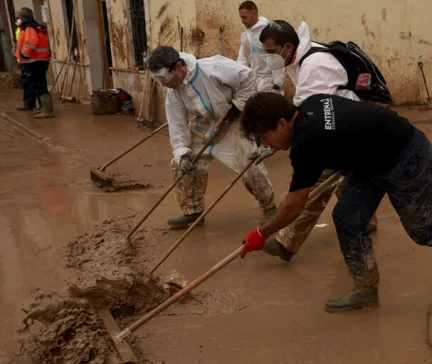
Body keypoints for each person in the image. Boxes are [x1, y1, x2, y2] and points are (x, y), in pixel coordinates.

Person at [240, 92, 432, 311]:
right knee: (346, 216)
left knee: (425, 232)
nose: (267, 145)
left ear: (283, 123)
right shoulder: (310, 104)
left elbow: (293, 207)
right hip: (369, 163)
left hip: (408, 156)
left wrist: (261, 234)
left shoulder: (307, 143)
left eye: (264, 137)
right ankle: (365, 288)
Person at [257, 19, 378, 262]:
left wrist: (278, 135)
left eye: (270, 52)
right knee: (341, 176)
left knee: (312, 185)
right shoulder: (297, 58)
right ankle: (366, 219)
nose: (268, 57)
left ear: (287, 46)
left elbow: (308, 113)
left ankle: (286, 242)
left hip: (346, 127)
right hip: (339, 121)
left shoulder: (314, 64)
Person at [147, 46, 276, 228]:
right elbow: (177, 124)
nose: (162, 84)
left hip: (231, 124)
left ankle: (269, 207)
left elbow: (248, 77)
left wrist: (237, 106)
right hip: (202, 127)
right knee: (183, 164)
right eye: (157, 79)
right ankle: (193, 212)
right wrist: (182, 152)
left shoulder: (212, 66)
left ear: (178, 67)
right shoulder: (173, 91)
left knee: (250, 166)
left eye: (164, 79)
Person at [15, 7, 52, 119]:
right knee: (38, 84)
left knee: (39, 85)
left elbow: (31, 43)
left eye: (17, 17)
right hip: (39, 60)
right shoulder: (34, 26)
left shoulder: (30, 28)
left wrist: (23, 55)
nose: (16, 19)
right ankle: (44, 108)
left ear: (22, 17)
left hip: (34, 61)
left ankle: (47, 110)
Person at [236, 1, 281, 92]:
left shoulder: (269, 32)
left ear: (255, 14)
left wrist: (277, 84)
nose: (242, 21)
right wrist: (239, 76)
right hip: (253, 80)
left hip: (269, 81)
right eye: (241, 17)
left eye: (245, 17)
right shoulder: (245, 36)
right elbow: (242, 58)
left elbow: (277, 59)